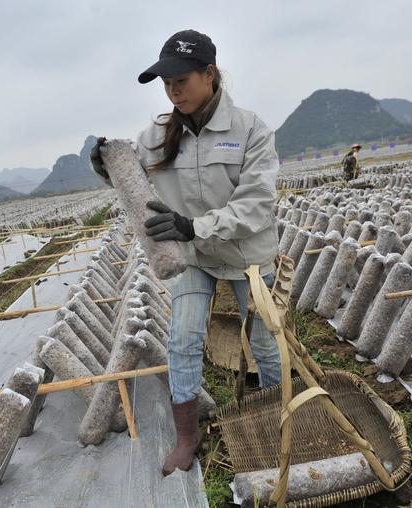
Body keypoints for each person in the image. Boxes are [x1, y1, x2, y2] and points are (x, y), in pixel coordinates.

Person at [90, 29, 282, 476]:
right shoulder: (157, 134)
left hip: (246, 255)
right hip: (194, 258)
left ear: (209, 74)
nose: (173, 90)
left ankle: (277, 418)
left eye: (181, 80)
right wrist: (105, 165)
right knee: (182, 341)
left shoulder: (250, 130)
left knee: (266, 345)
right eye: (166, 83)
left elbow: (255, 204)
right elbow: (131, 176)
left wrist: (192, 226)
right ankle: (187, 435)